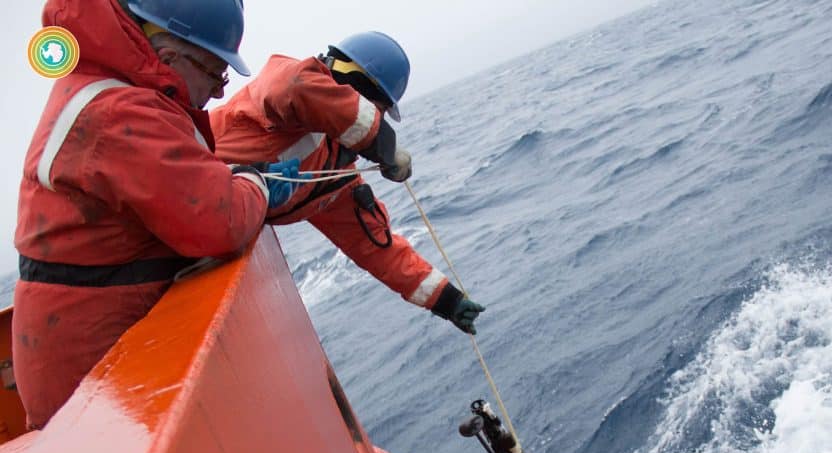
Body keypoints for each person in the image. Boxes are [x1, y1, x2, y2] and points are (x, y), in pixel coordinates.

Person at [13, 0, 298, 428]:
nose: (220, 92)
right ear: (168, 56)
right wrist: (256, 184)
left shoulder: (109, 91)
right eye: (214, 71)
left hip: (92, 363)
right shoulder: (121, 112)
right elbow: (222, 223)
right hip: (89, 386)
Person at [210, 31, 486, 336]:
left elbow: (376, 247)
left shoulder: (335, 178)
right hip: (168, 193)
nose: (377, 119)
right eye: (378, 111)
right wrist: (382, 144)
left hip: (200, 235)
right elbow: (296, 84)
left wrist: (447, 301)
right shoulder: (289, 83)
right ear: (359, 89)